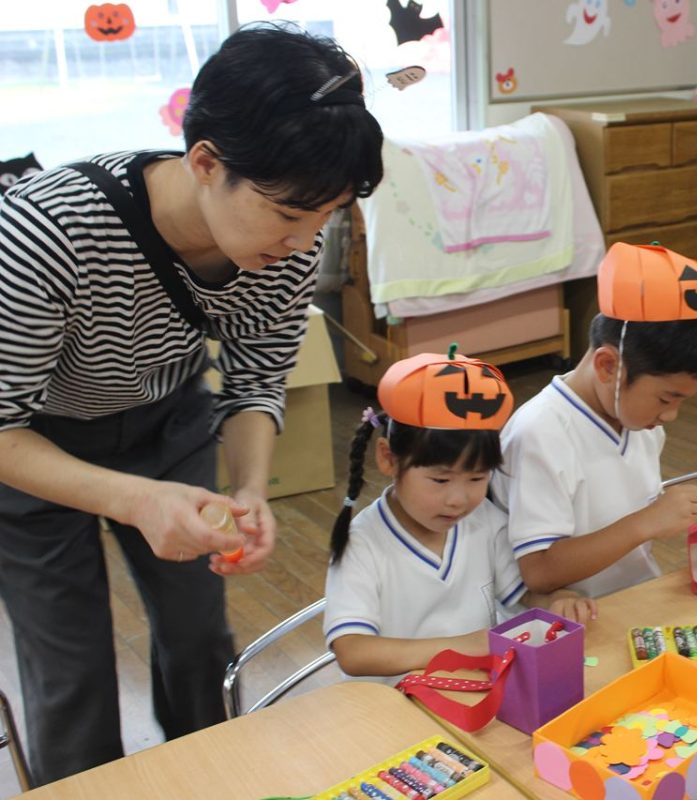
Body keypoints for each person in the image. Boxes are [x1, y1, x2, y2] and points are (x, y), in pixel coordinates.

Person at [0, 23, 383, 786]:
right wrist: (135, 499)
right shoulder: (46, 233)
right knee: (70, 670)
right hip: (34, 449)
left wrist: (249, 489)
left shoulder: (289, 243)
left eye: (328, 215)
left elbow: (255, 380)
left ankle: (211, 779)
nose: (305, 242)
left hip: (165, 421)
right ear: (206, 162)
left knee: (198, 639)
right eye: (289, 214)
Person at [322, 352, 596, 681]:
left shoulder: (485, 520)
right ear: (389, 459)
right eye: (440, 480)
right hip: (394, 701)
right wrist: (463, 646)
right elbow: (353, 651)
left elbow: (521, 593)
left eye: (477, 478)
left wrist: (558, 599)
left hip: (475, 688)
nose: (458, 500)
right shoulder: (362, 543)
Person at [491, 243, 697, 598]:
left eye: (684, 400)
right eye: (666, 398)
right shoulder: (539, 432)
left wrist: (687, 510)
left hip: (633, 599)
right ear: (608, 366)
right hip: (571, 619)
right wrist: (647, 522)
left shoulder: (639, 422)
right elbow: (539, 572)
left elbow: (617, 504)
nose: (671, 415)